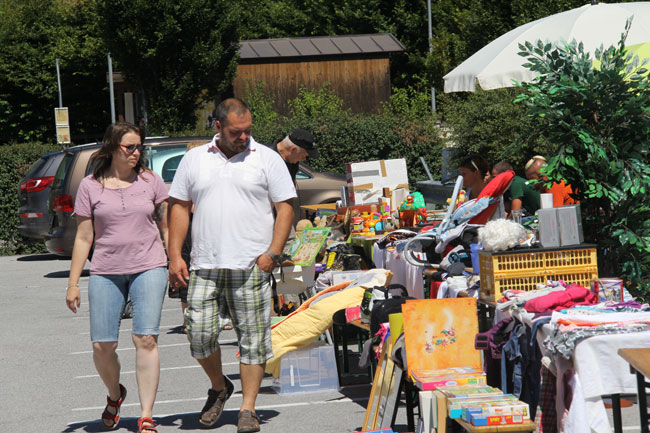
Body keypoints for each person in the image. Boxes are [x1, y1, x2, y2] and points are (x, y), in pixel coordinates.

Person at [167, 98, 296, 433]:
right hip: (204, 264)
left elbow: (285, 208)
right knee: (198, 334)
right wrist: (175, 256)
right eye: (237, 132)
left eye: (248, 131)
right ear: (218, 127)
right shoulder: (195, 159)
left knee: (252, 340)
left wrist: (273, 253)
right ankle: (220, 386)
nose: (244, 137)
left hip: (252, 265)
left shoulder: (266, 158)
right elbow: (179, 206)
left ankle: (248, 408)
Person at [65, 122, 169, 433]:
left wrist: (175, 261)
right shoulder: (90, 186)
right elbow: (84, 237)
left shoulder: (151, 181)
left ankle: (147, 414)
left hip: (149, 266)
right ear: (112, 148)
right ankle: (115, 394)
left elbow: (165, 226)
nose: (136, 153)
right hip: (106, 271)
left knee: (146, 338)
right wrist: (73, 283)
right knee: (102, 346)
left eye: (140, 147)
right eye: (130, 147)